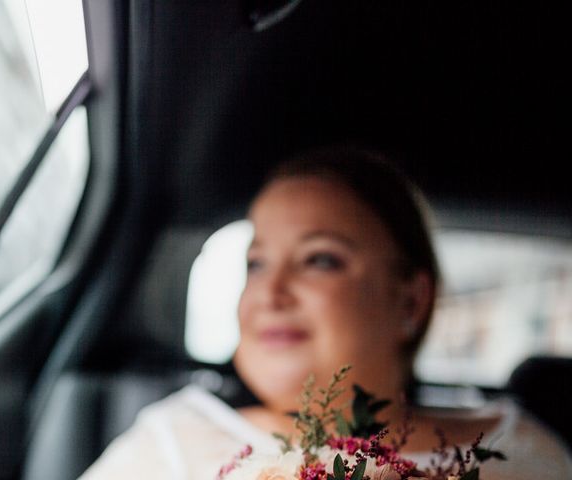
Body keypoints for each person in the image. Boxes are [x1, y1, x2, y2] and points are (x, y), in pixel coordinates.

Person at [78, 146, 572, 480]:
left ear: (409, 302)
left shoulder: (530, 455)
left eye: (320, 259)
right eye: (256, 263)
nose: (271, 291)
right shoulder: (168, 446)